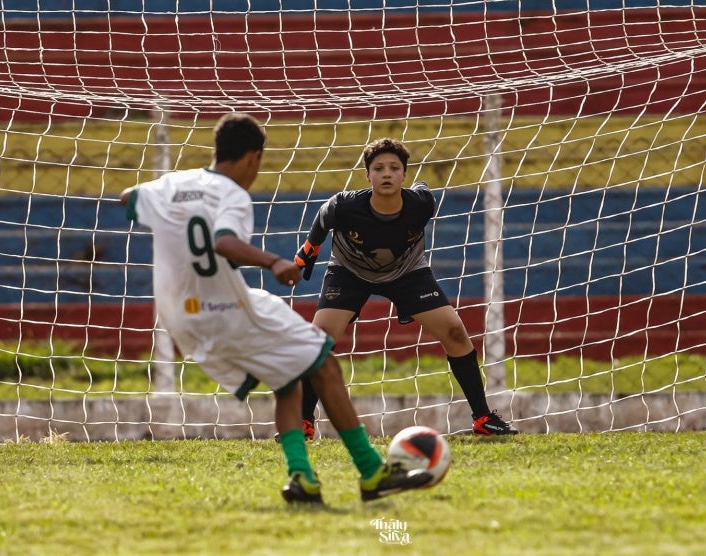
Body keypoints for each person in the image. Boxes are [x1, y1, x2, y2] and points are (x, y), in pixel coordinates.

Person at [119, 113, 432, 504]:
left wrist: (176, 207)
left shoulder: (174, 184)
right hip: (225, 307)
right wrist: (274, 262)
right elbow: (223, 242)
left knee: (288, 380)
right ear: (254, 157)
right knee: (324, 362)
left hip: (178, 316)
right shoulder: (232, 194)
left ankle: (302, 477)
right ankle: (372, 473)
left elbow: (128, 198)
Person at [293, 137, 519, 438]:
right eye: (379, 168)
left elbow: (425, 188)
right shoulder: (346, 205)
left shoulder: (421, 204)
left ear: (403, 174)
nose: (386, 173)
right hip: (349, 272)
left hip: (407, 272)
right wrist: (309, 249)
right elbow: (324, 215)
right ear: (367, 175)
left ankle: (482, 418)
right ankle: (303, 423)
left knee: (454, 332)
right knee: (319, 342)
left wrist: (422, 185)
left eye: (394, 168)